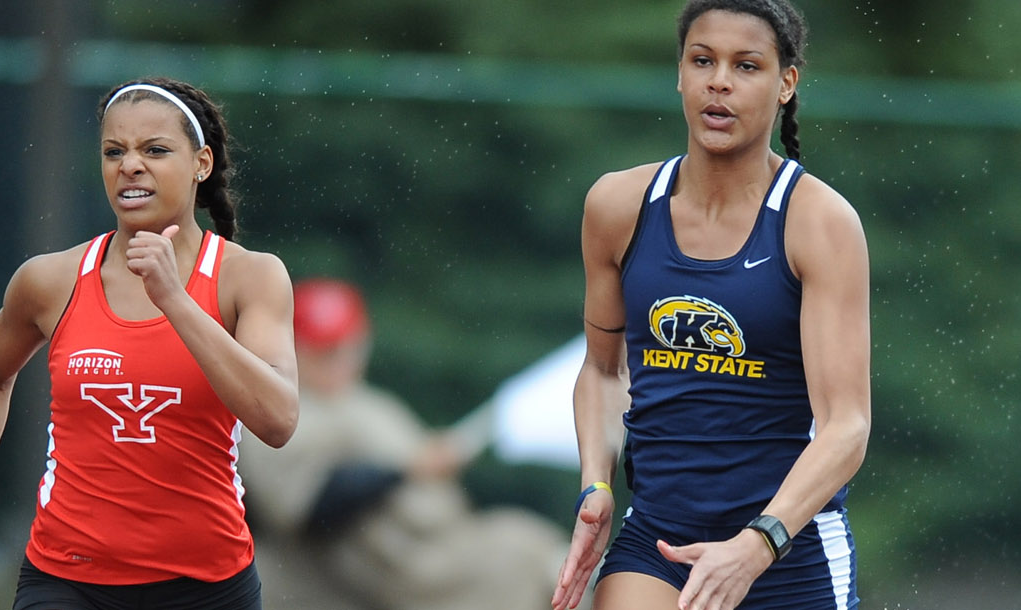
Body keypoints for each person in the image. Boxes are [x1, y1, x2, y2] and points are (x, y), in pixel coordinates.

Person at [0, 77, 299, 610]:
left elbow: (278, 419)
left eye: (155, 150)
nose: (130, 165)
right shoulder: (50, 280)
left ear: (202, 163)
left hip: (207, 587)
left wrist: (175, 298)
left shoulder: (252, 278)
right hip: (67, 580)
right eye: (113, 151)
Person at [551, 1, 871, 609]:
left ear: (786, 84)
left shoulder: (819, 223)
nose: (719, 81)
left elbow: (846, 428)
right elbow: (602, 369)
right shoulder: (617, 206)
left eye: (746, 65)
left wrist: (755, 546)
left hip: (787, 552)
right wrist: (596, 483)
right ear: (680, 74)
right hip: (659, 543)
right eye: (703, 61)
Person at [238, 278, 570, 610]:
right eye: (325, 351)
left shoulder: (371, 403)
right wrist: (404, 469)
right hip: (380, 573)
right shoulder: (277, 407)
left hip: (439, 547)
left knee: (540, 551)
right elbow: (311, 507)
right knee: (519, 551)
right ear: (294, 347)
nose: (339, 360)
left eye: (346, 347)